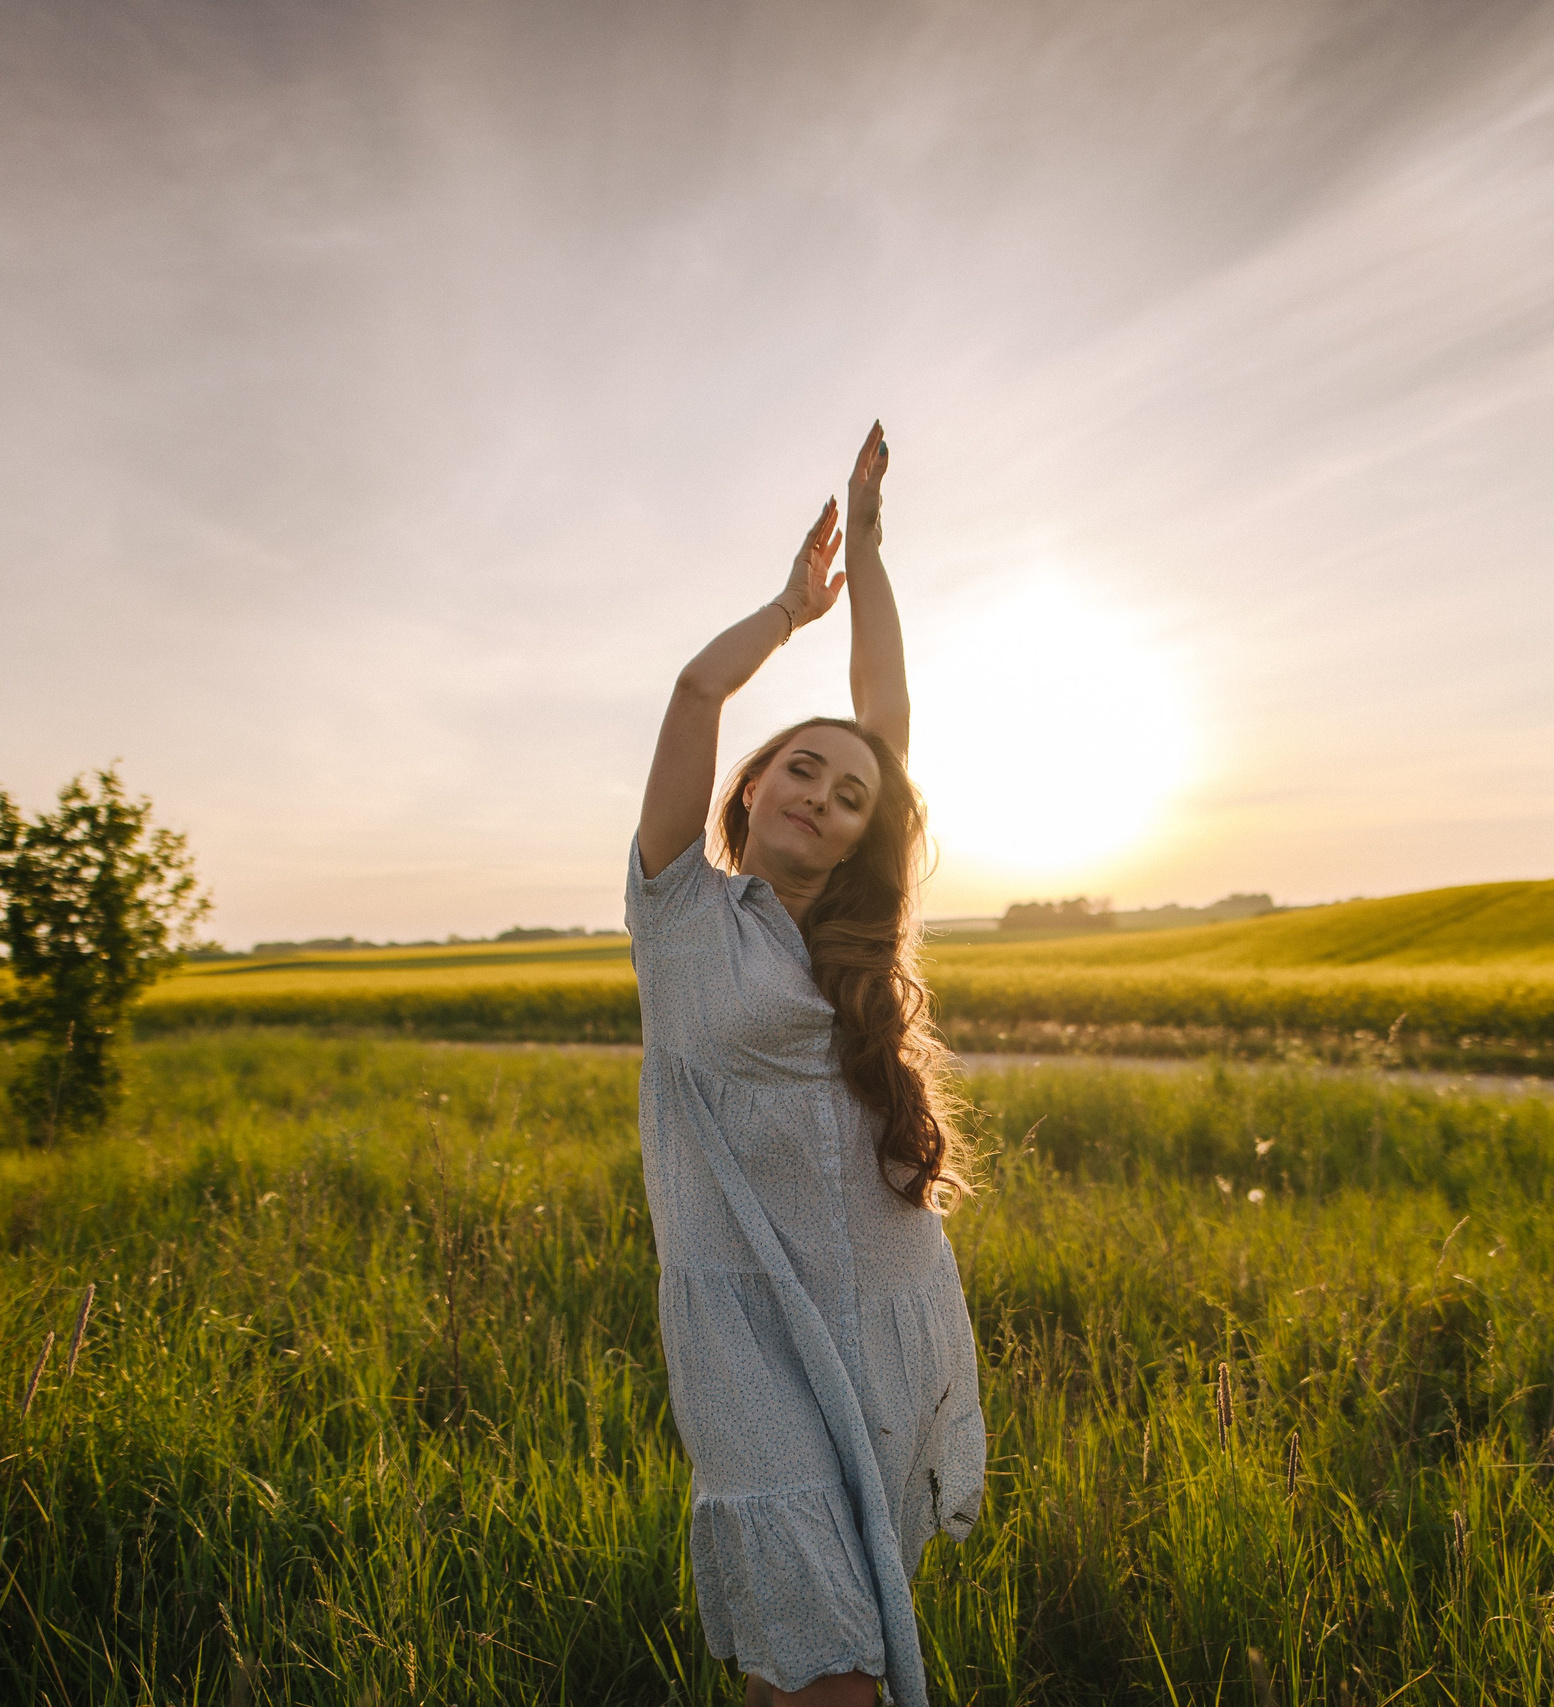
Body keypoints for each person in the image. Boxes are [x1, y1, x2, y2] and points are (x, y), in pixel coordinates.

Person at [628, 421, 986, 1707]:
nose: (824, 795)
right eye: (803, 767)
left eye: (848, 797)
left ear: (856, 841)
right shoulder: (678, 913)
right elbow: (690, 694)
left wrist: (875, 555)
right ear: (756, 780)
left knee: (861, 1619)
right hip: (743, 1313)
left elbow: (887, 721)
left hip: (876, 1291)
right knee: (816, 1642)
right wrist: (791, 610)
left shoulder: (857, 928)